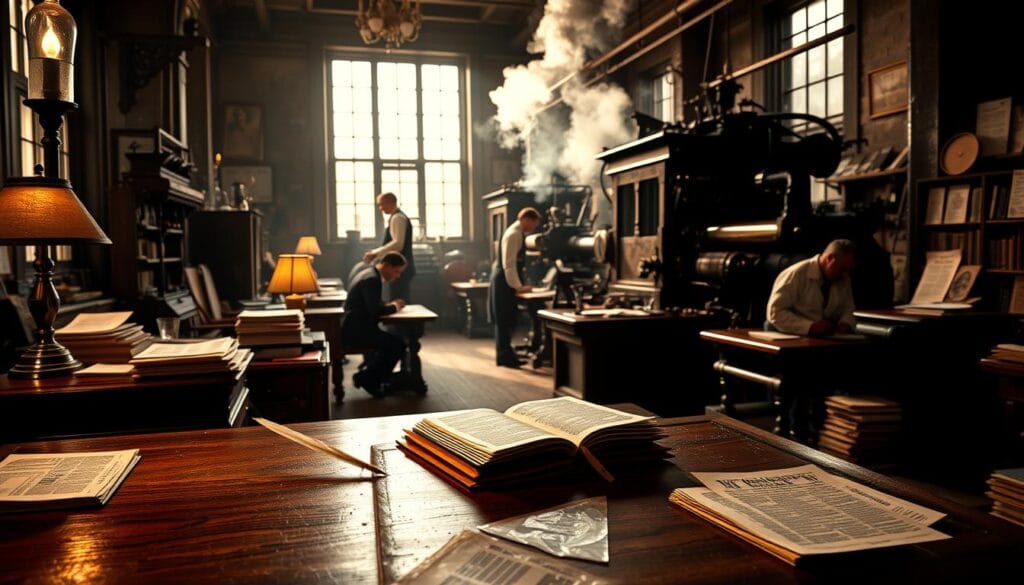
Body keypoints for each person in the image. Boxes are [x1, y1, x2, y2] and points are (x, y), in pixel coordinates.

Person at [344, 252, 408, 397]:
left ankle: (373, 378)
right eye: (396, 271)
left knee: (395, 342)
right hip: (357, 331)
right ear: (386, 265)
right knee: (398, 345)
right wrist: (395, 306)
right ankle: (368, 379)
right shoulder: (372, 279)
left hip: (357, 327)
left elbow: (371, 304)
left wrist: (390, 305)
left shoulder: (370, 274)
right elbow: (375, 310)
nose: (397, 276)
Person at [767, 239, 857, 337]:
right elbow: (775, 312)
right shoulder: (796, 274)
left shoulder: (843, 278)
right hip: (794, 336)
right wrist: (809, 327)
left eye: (848, 270)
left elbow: (848, 308)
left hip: (827, 338)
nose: (845, 274)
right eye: (842, 269)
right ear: (830, 258)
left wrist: (845, 323)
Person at [489, 207, 541, 368]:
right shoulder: (514, 234)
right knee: (504, 320)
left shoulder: (517, 232)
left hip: (505, 281)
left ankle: (506, 355)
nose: (534, 227)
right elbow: (509, 265)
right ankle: (505, 357)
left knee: (507, 319)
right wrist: (518, 286)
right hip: (503, 281)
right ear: (527, 219)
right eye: (534, 223)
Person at [363, 192, 415, 302]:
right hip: (398, 267)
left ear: (391, 203)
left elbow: (398, 244)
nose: (380, 208)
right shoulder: (395, 217)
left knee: (399, 299)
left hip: (399, 268)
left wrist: (375, 253)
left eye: (382, 204)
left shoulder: (398, 218)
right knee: (397, 298)